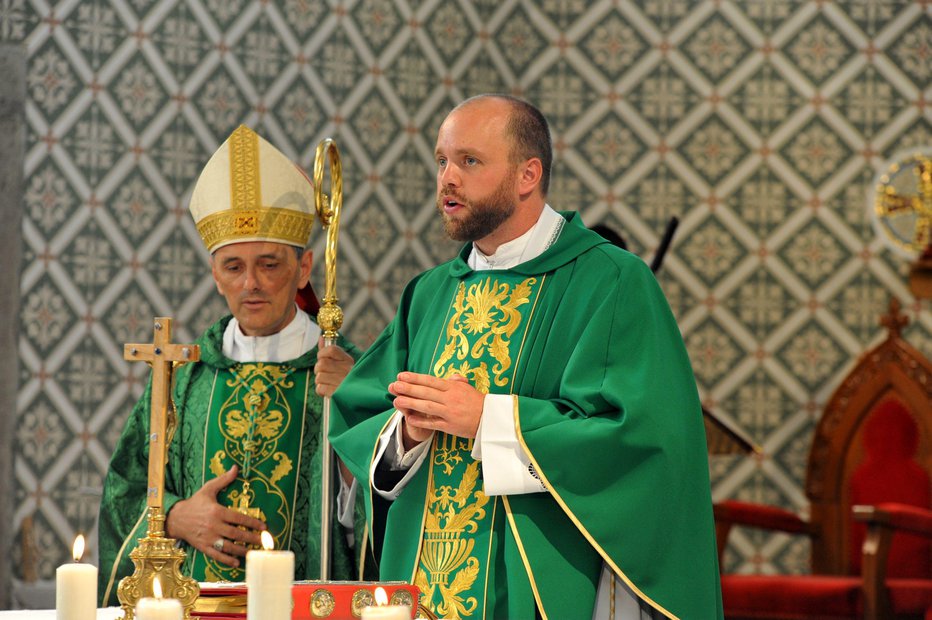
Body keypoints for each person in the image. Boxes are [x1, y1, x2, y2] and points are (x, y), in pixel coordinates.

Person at [330, 95, 723, 619]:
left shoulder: (611, 281)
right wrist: (407, 434)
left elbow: (641, 441)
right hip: (418, 590)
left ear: (527, 175)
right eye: (441, 160)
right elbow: (363, 422)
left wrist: (488, 419)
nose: (448, 178)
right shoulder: (428, 294)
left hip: (537, 586)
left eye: (469, 161)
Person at [98, 126, 365, 605]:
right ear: (214, 273)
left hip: (302, 609)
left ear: (304, 268)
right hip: (193, 608)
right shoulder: (184, 378)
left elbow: (390, 509)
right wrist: (175, 518)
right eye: (233, 267)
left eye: (269, 264)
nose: (251, 285)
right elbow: (124, 491)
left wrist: (355, 417)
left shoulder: (348, 375)